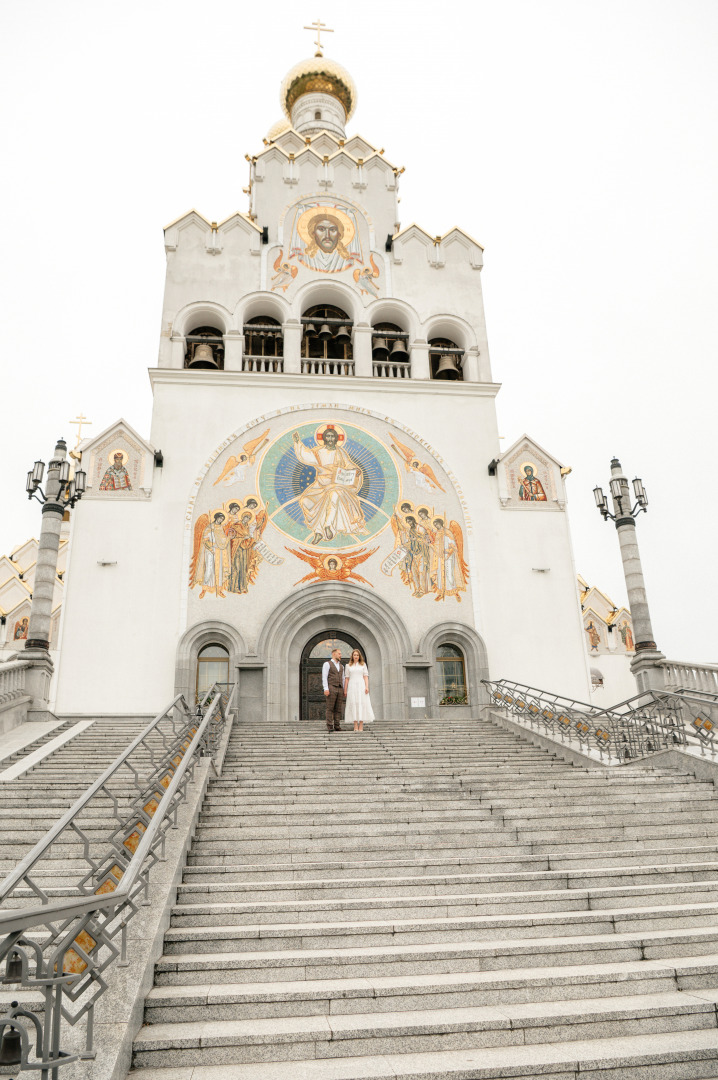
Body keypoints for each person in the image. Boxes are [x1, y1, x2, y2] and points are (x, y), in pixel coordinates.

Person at [292, 426, 367, 544]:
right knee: (306, 501)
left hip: (336, 483)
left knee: (333, 496)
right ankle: (318, 531)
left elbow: (348, 464)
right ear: (324, 438)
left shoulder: (340, 452)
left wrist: (356, 470)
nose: (330, 438)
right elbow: (306, 455)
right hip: (321, 484)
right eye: (328, 436)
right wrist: (298, 443)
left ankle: (325, 527)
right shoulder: (318, 452)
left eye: (332, 436)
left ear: (336, 438)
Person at [344, 649, 374, 732]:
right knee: (353, 704)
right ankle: (355, 725)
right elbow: (347, 678)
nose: (356, 656)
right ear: (352, 656)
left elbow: (365, 676)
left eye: (357, 655)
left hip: (361, 686)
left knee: (362, 704)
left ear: (359, 656)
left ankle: (361, 725)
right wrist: (345, 690)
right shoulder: (348, 666)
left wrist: (367, 687)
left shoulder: (363, 665)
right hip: (352, 686)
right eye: (354, 655)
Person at [322, 647, 345, 733]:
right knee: (330, 708)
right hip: (331, 687)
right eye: (339, 653)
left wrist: (343, 689)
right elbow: (324, 677)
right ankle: (329, 726)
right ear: (334, 654)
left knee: (338, 708)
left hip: (340, 688)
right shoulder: (327, 664)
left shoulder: (341, 666)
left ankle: (337, 725)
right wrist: (326, 688)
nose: (340, 655)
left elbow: (343, 678)